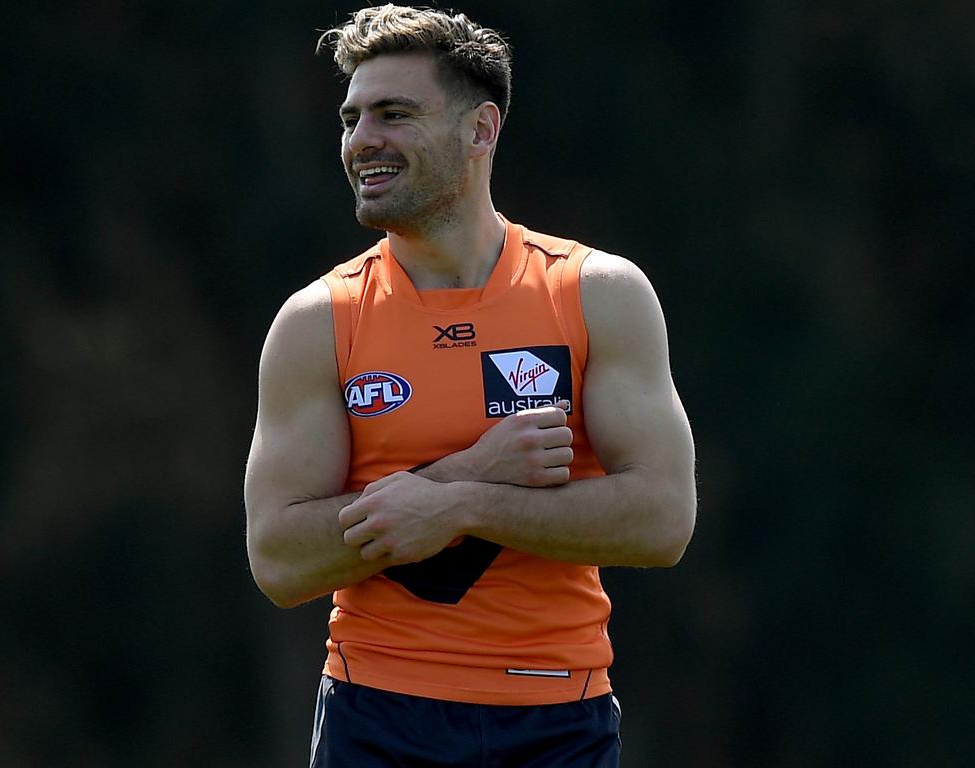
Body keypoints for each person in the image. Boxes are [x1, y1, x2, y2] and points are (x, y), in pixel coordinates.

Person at [243, 5, 696, 766]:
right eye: (351, 119)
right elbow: (280, 561)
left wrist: (461, 505)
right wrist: (466, 469)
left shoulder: (595, 293)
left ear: (481, 130)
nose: (362, 142)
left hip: (559, 716)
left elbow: (662, 521)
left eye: (394, 114)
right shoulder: (318, 321)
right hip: (375, 714)